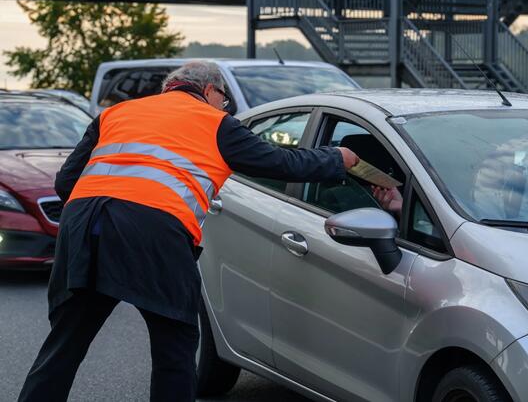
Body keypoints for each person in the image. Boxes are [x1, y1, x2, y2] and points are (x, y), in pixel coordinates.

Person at [18, 61, 359, 402]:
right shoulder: (216, 123)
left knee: (63, 346)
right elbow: (283, 164)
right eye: (224, 100)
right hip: (153, 231)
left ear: (171, 86)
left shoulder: (116, 114)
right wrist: (337, 158)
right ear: (210, 90)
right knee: (174, 348)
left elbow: (66, 182)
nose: (224, 107)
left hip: (82, 226)